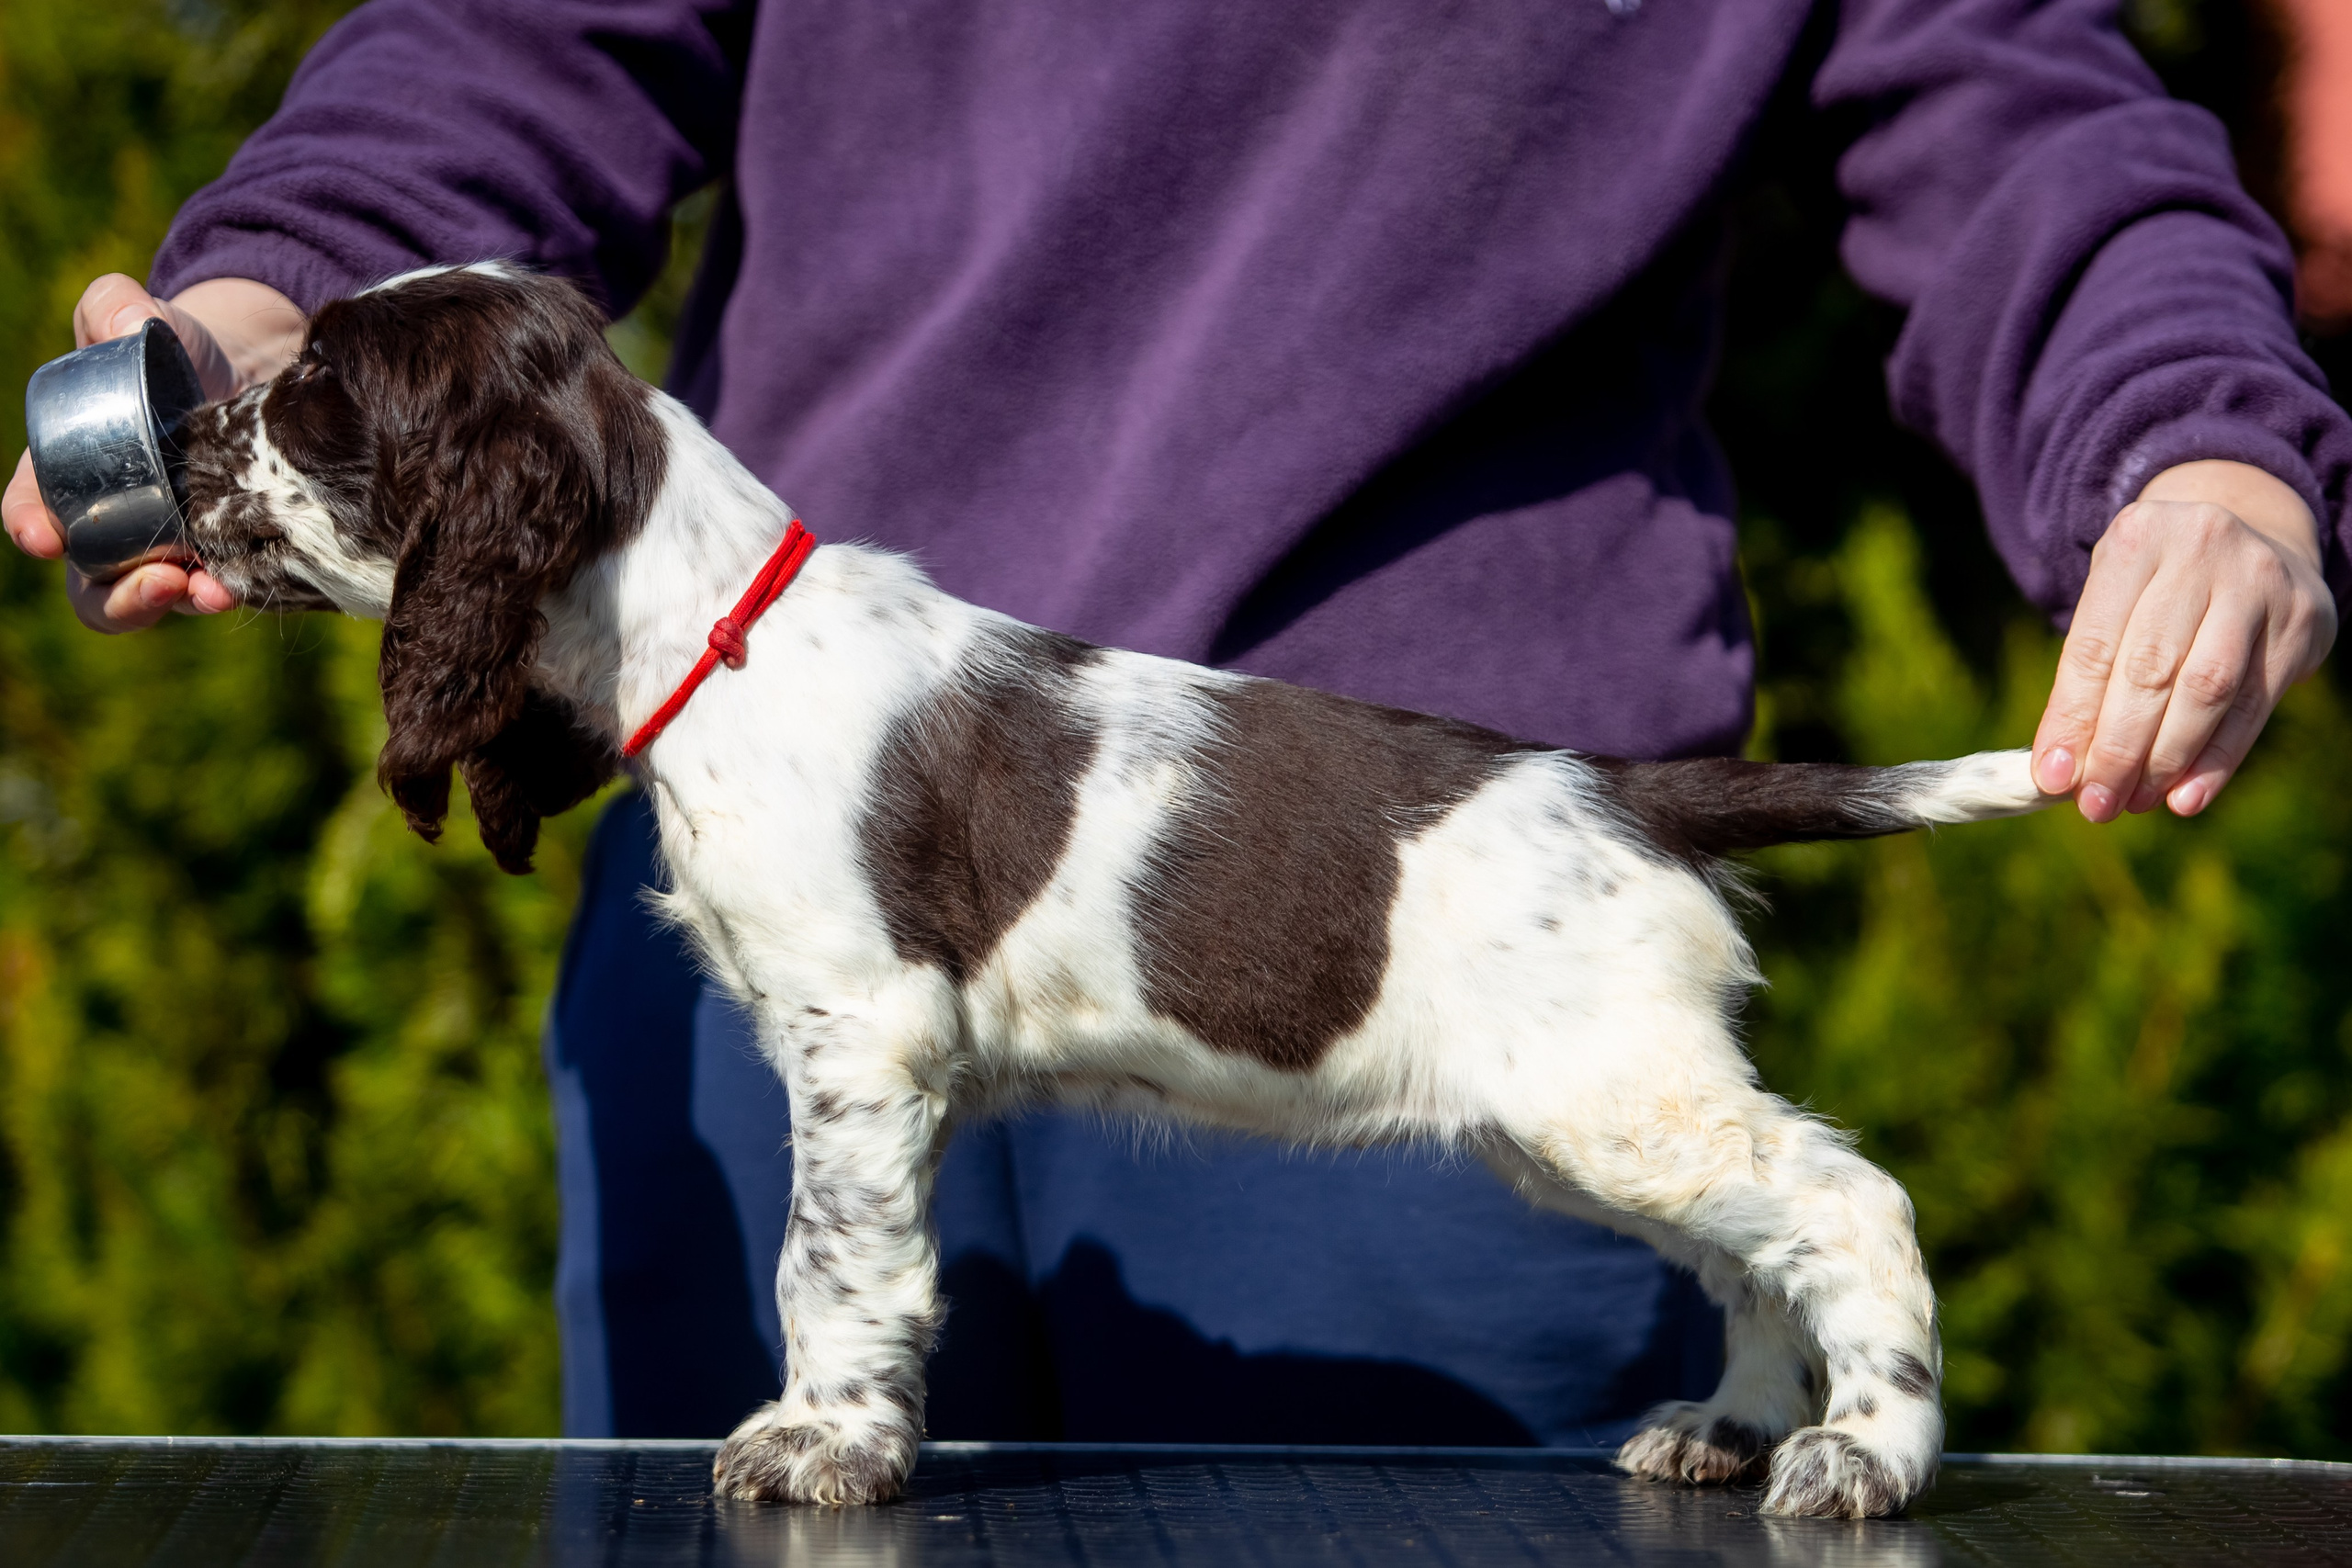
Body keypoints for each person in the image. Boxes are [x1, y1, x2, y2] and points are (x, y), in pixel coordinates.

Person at [7, 0, 2345, 1444]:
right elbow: (518, 37)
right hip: (772, 829)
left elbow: (2023, 112)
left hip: (1401, 912)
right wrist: (285, 303)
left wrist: (2204, 446)